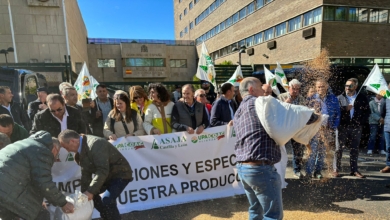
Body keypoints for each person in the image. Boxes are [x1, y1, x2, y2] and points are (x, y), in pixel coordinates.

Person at [234, 77, 319, 220]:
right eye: (261, 86)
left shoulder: (239, 110)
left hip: (243, 169)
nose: (264, 90)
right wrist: (314, 117)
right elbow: (290, 115)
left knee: (255, 210)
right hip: (260, 169)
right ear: (251, 89)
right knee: (272, 215)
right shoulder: (260, 103)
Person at [58, 129, 132, 220]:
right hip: (107, 175)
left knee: (107, 200)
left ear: (73, 141)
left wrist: (90, 191)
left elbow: (102, 170)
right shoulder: (82, 148)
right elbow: (86, 173)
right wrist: (83, 196)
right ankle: (109, 217)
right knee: (92, 198)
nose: (68, 151)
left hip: (121, 173)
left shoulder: (96, 144)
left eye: (66, 147)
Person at [0, 131, 74, 220]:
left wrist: (38, 201)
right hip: (8, 191)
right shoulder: (42, 151)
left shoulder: (25, 144)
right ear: (54, 149)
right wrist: (63, 203)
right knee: (42, 215)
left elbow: (31, 179)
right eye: (57, 155)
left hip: (5, 190)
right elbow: (44, 183)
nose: (55, 159)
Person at [334, 78, 369, 178]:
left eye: (350, 86)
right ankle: (336, 169)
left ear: (356, 87)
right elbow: (335, 111)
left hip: (356, 127)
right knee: (338, 148)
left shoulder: (362, 97)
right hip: (342, 126)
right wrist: (345, 108)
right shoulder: (340, 97)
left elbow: (367, 112)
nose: (347, 88)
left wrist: (361, 122)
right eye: (346, 85)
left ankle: (354, 170)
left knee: (354, 149)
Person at [306, 79, 340, 179]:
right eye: (319, 87)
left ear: (326, 87)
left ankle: (318, 172)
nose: (321, 88)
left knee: (322, 152)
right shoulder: (311, 99)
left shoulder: (333, 98)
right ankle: (308, 172)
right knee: (312, 151)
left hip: (327, 129)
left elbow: (338, 113)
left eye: (323, 86)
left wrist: (333, 127)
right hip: (315, 129)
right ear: (316, 88)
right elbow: (306, 113)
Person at [278, 79, 307, 178]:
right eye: (293, 88)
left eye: (297, 89)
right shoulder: (281, 96)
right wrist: (286, 103)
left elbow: (304, 112)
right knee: (281, 149)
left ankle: (297, 170)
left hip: (296, 128)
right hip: (284, 128)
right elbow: (278, 111)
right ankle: (279, 170)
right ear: (289, 88)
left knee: (298, 151)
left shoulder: (301, 99)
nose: (295, 91)